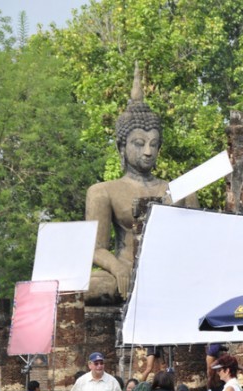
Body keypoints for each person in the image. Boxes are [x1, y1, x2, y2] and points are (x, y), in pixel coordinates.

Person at [84, 65, 196, 304]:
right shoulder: (103, 192)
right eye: (139, 143)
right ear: (121, 147)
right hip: (125, 272)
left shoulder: (178, 189)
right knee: (89, 286)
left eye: (153, 144)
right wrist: (117, 268)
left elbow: (197, 242)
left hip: (169, 273)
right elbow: (95, 249)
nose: (147, 151)